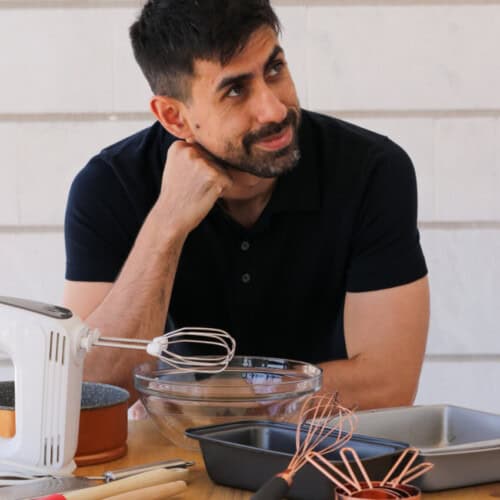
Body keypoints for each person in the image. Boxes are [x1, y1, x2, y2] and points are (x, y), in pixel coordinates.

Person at [63, 0, 429, 410]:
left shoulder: (371, 171)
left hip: (322, 456)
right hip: (168, 465)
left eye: (275, 69)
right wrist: (166, 224)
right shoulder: (108, 186)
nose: (274, 108)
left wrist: (210, 397)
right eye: (235, 89)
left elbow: (388, 385)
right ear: (173, 116)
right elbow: (91, 391)